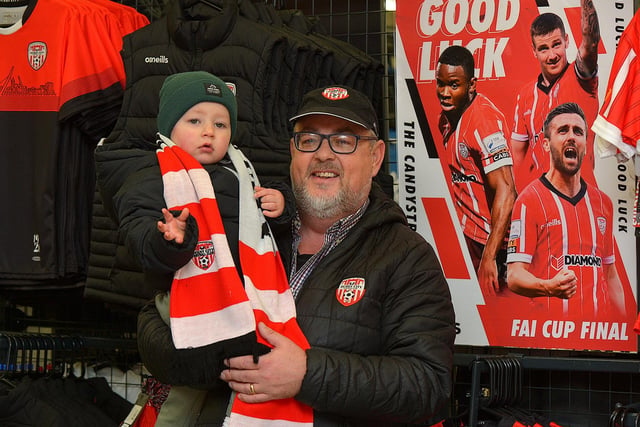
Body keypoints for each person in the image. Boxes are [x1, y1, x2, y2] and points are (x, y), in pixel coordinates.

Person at [136, 85, 456, 426]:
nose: (323, 155)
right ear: (293, 150)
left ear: (376, 157)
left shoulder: (407, 258)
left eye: (344, 141)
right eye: (309, 140)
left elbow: (428, 383)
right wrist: (206, 360)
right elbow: (153, 315)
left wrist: (307, 373)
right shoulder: (244, 224)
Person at [98, 70, 304, 425]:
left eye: (221, 124)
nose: (209, 132)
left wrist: (281, 206)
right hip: (182, 301)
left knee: (228, 397)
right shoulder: (152, 175)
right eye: (195, 120)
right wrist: (171, 239)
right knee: (181, 398)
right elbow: (140, 239)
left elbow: (265, 235)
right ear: (169, 126)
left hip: (239, 303)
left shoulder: (243, 173)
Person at [506, 103, 626, 318]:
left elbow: (610, 274)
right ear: (545, 144)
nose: (571, 136)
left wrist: (623, 328)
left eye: (578, 131)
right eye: (563, 130)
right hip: (551, 337)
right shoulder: (529, 200)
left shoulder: (603, 203)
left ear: (586, 145)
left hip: (597, 338)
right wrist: (549, 287)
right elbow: (514, 276)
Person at [436, 45, 517, 299]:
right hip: (470, 240)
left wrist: (490, 255)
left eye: (453, 85)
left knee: (497, 321)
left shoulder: (483, 122)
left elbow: (507, 190)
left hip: (493, 246)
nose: (444, 93)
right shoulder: (447, 119)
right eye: (440, 84)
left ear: (471, 85)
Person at [511, 0, 600, 192]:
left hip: (580, 203)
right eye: (543, 48)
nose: (552, 55)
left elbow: (590, 44)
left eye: (556, 44)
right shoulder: (525, 95)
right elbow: (516, 158)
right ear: (534, 51)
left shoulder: (580, 80)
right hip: (541, 206)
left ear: (567, 40)